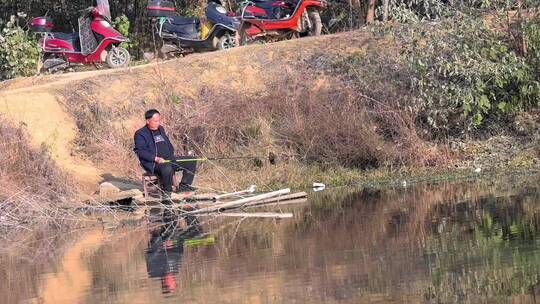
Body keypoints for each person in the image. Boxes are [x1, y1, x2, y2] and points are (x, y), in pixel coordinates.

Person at [134, 109, 197, 197]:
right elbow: (141, 152)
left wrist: (171, 154)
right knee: (167, 168)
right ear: (148, 121)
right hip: (153, 163)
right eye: (155, 121)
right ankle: (167, 191)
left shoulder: (161, 129)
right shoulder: (140, 133)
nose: (158, 123)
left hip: (169, 159)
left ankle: (184, 186)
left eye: (159, 120)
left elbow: (167, 143)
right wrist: (156, 158)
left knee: (191, 160)